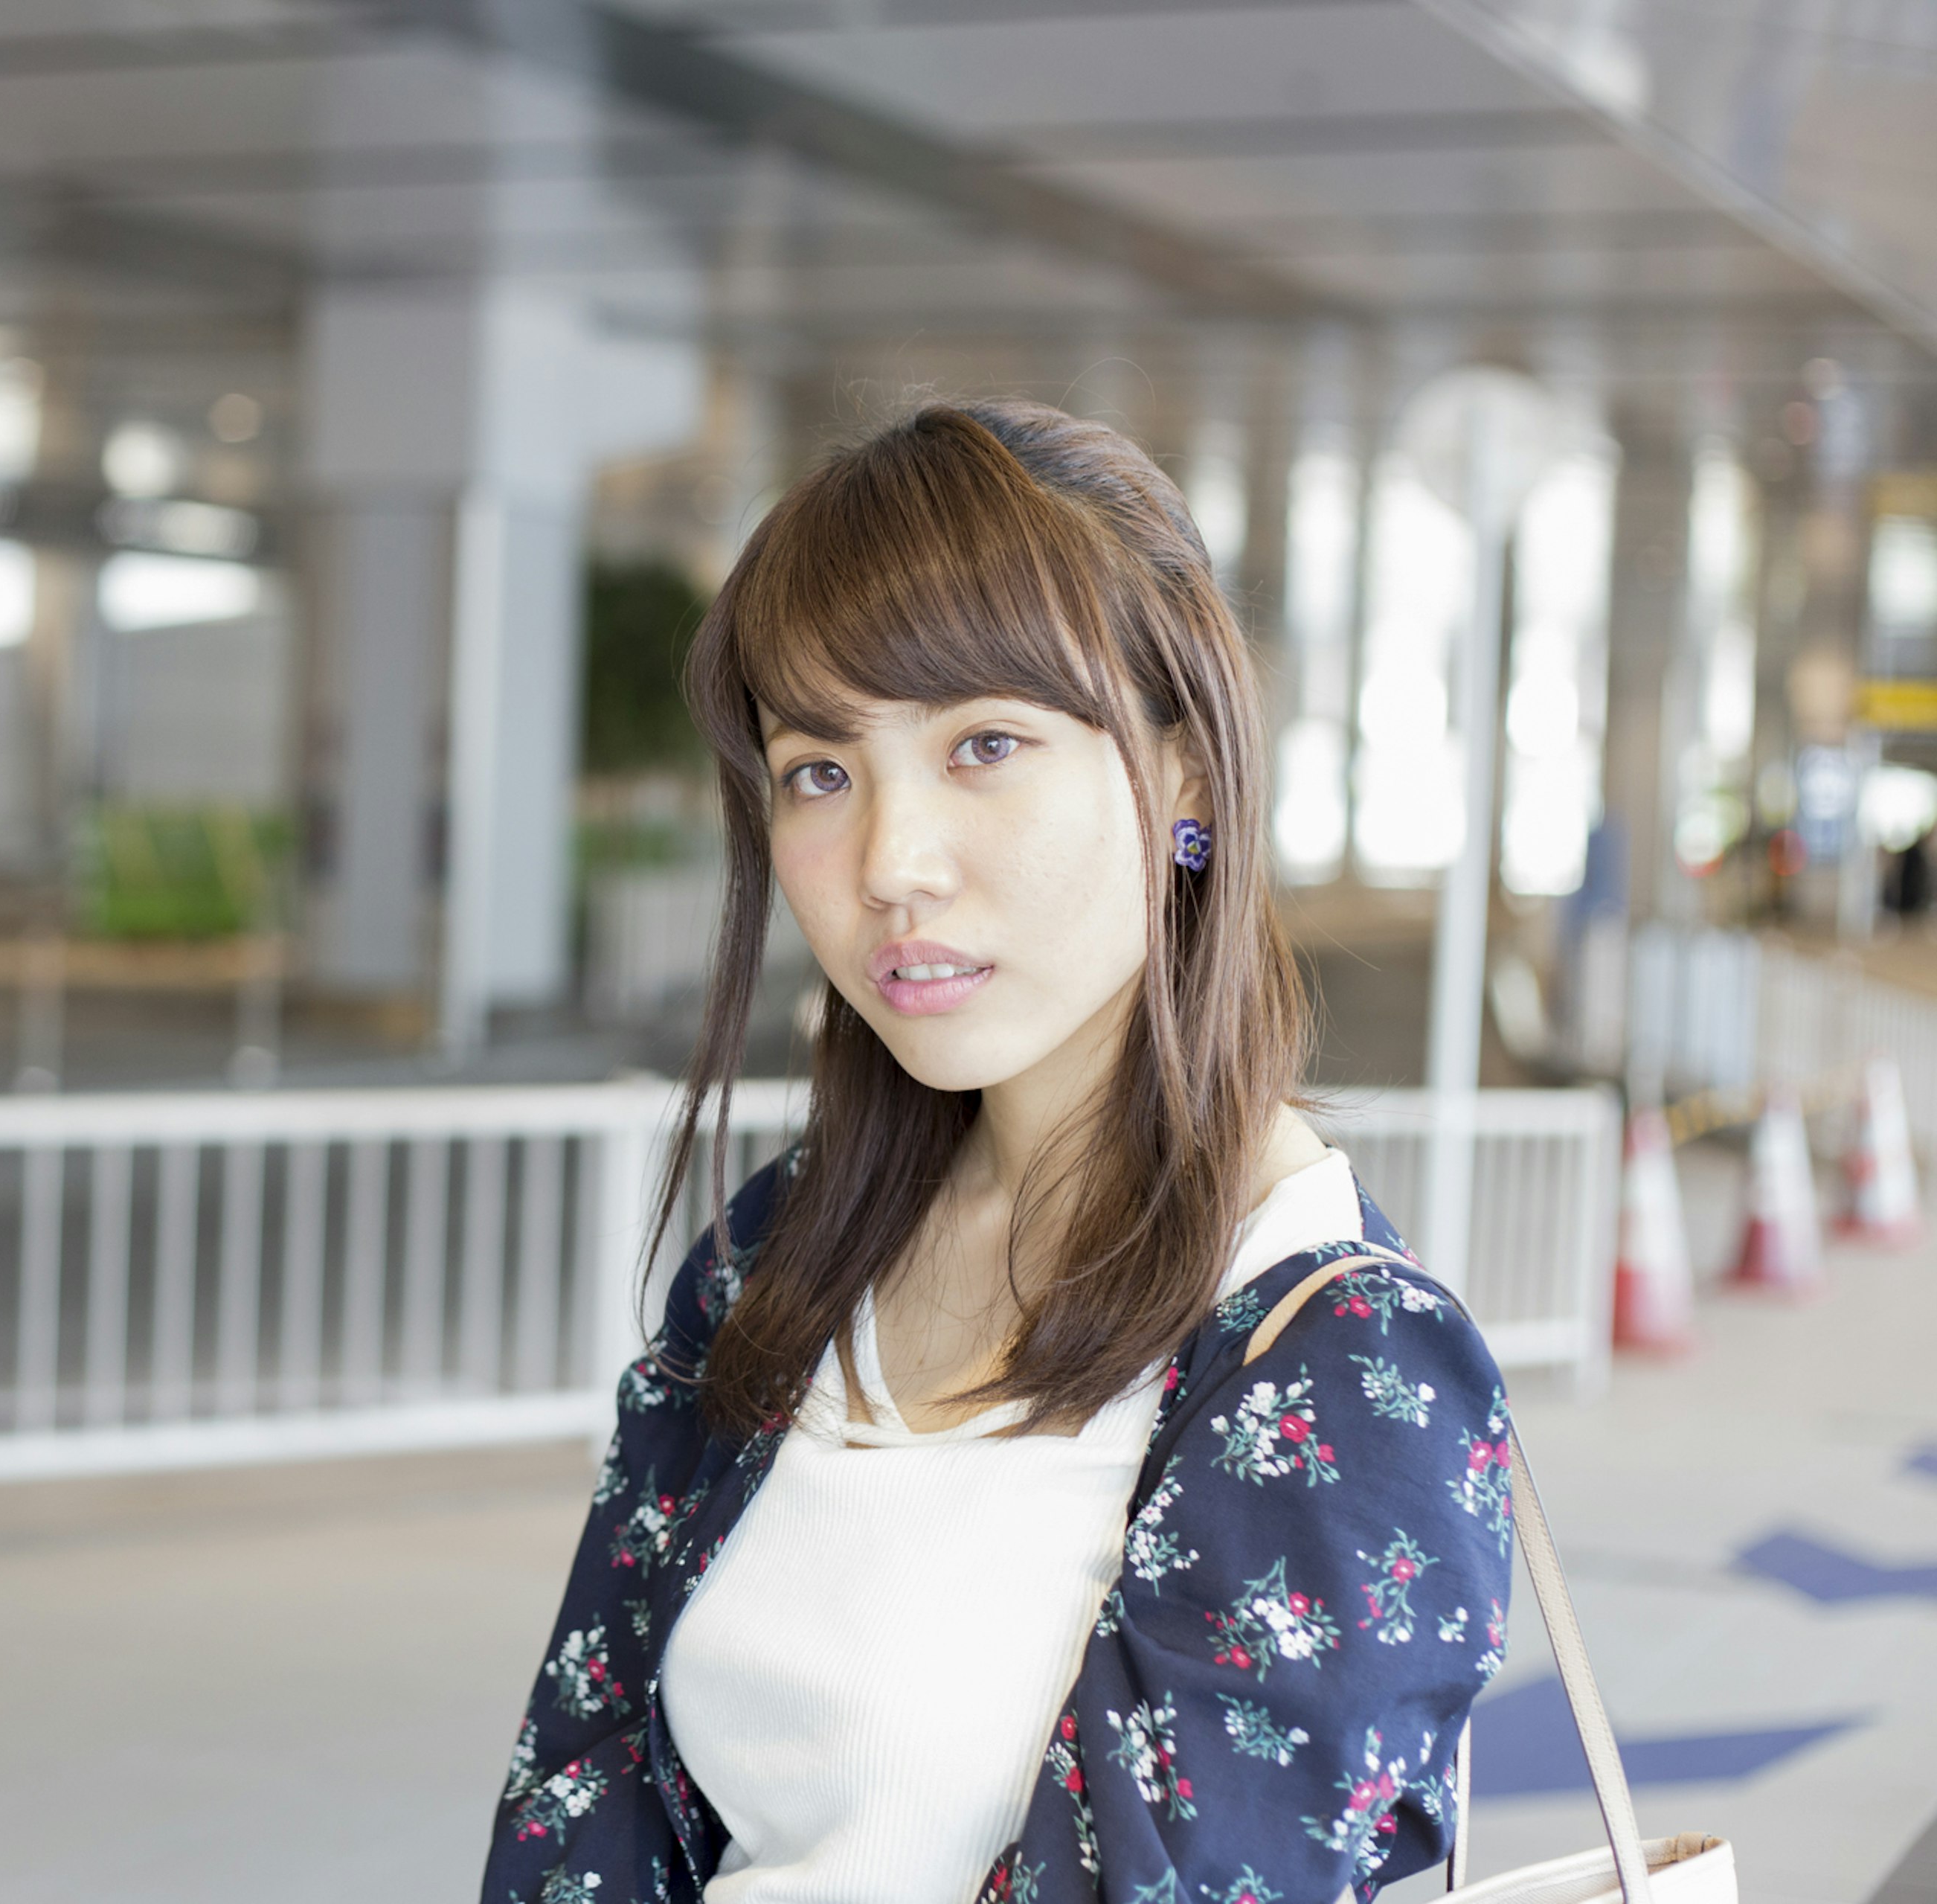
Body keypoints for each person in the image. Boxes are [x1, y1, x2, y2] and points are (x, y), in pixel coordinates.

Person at [483, 401, 1513, 1904]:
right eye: (820, 768)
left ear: (1188, 782)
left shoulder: (1333, 1367)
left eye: (985, 744)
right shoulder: (783, 1253)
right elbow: (578, 1807)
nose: (893, 862)